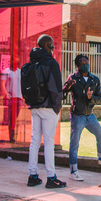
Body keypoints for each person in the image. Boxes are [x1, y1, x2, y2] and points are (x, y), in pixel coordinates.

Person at [62, 54, 101, 181]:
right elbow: (62, 93)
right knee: (74, 144)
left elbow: (100, 99)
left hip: (90, 116)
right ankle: (73, 171)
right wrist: (68, 86)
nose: (85, 65)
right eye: (82, 64)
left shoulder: (94, 79)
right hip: (77, 116)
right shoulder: (73, 78)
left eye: (86, 63)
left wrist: (90, 98)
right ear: (77, 66)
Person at [26, 34, 66, 188]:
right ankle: (51, 177)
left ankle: (33, 175)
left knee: (35, 140)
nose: (54, 48)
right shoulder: (51, 63)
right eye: (52, 45)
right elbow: (55, 88)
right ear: (48, 46)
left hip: (35, 106)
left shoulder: (32, 61)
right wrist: (57, 107)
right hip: (49, 107)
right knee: (49, 141)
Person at [0, 55, 23, 143]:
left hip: (18, 98)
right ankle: (3, 137)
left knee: (14, 119)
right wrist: (5, 94)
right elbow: (2, 83)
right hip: (9, 98)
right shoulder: (6, 71)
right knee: (6, 118)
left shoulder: (20, 72)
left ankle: (12, 137)